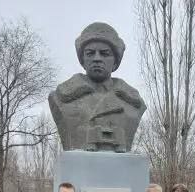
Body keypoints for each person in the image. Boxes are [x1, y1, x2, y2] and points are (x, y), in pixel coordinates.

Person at [49, 22, 146, 152]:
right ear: (82, 60)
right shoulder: (62, 98)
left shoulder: (132, 103)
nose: (97, 59)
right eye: (90, 53)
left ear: (115, 61)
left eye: (104, 53)